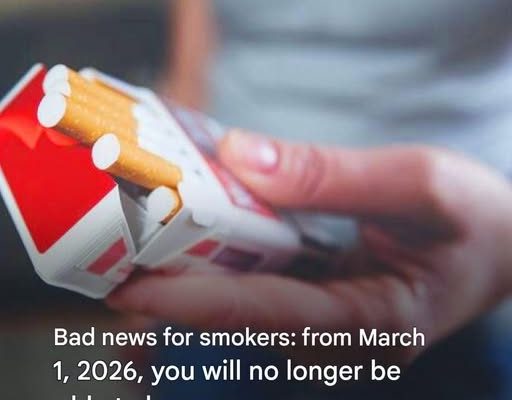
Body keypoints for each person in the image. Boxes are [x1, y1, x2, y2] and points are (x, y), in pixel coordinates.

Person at [110, 0, 512, 398]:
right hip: (214, 255)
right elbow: (194, 58)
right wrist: (146, 248)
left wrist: (503, 240)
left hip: (450, 285)